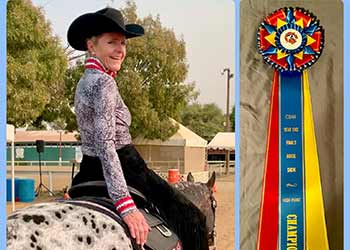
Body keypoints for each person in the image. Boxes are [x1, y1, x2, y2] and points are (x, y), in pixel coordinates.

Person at [67, 7, 209, 250]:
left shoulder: (84, 80)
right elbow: (106, 144)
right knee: (193, 218)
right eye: (112, 42)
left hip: (89, 169)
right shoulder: (104, 82)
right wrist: (125, 204)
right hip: (124, 165)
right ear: (92, 46)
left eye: (123, 43)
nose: (120, 50)